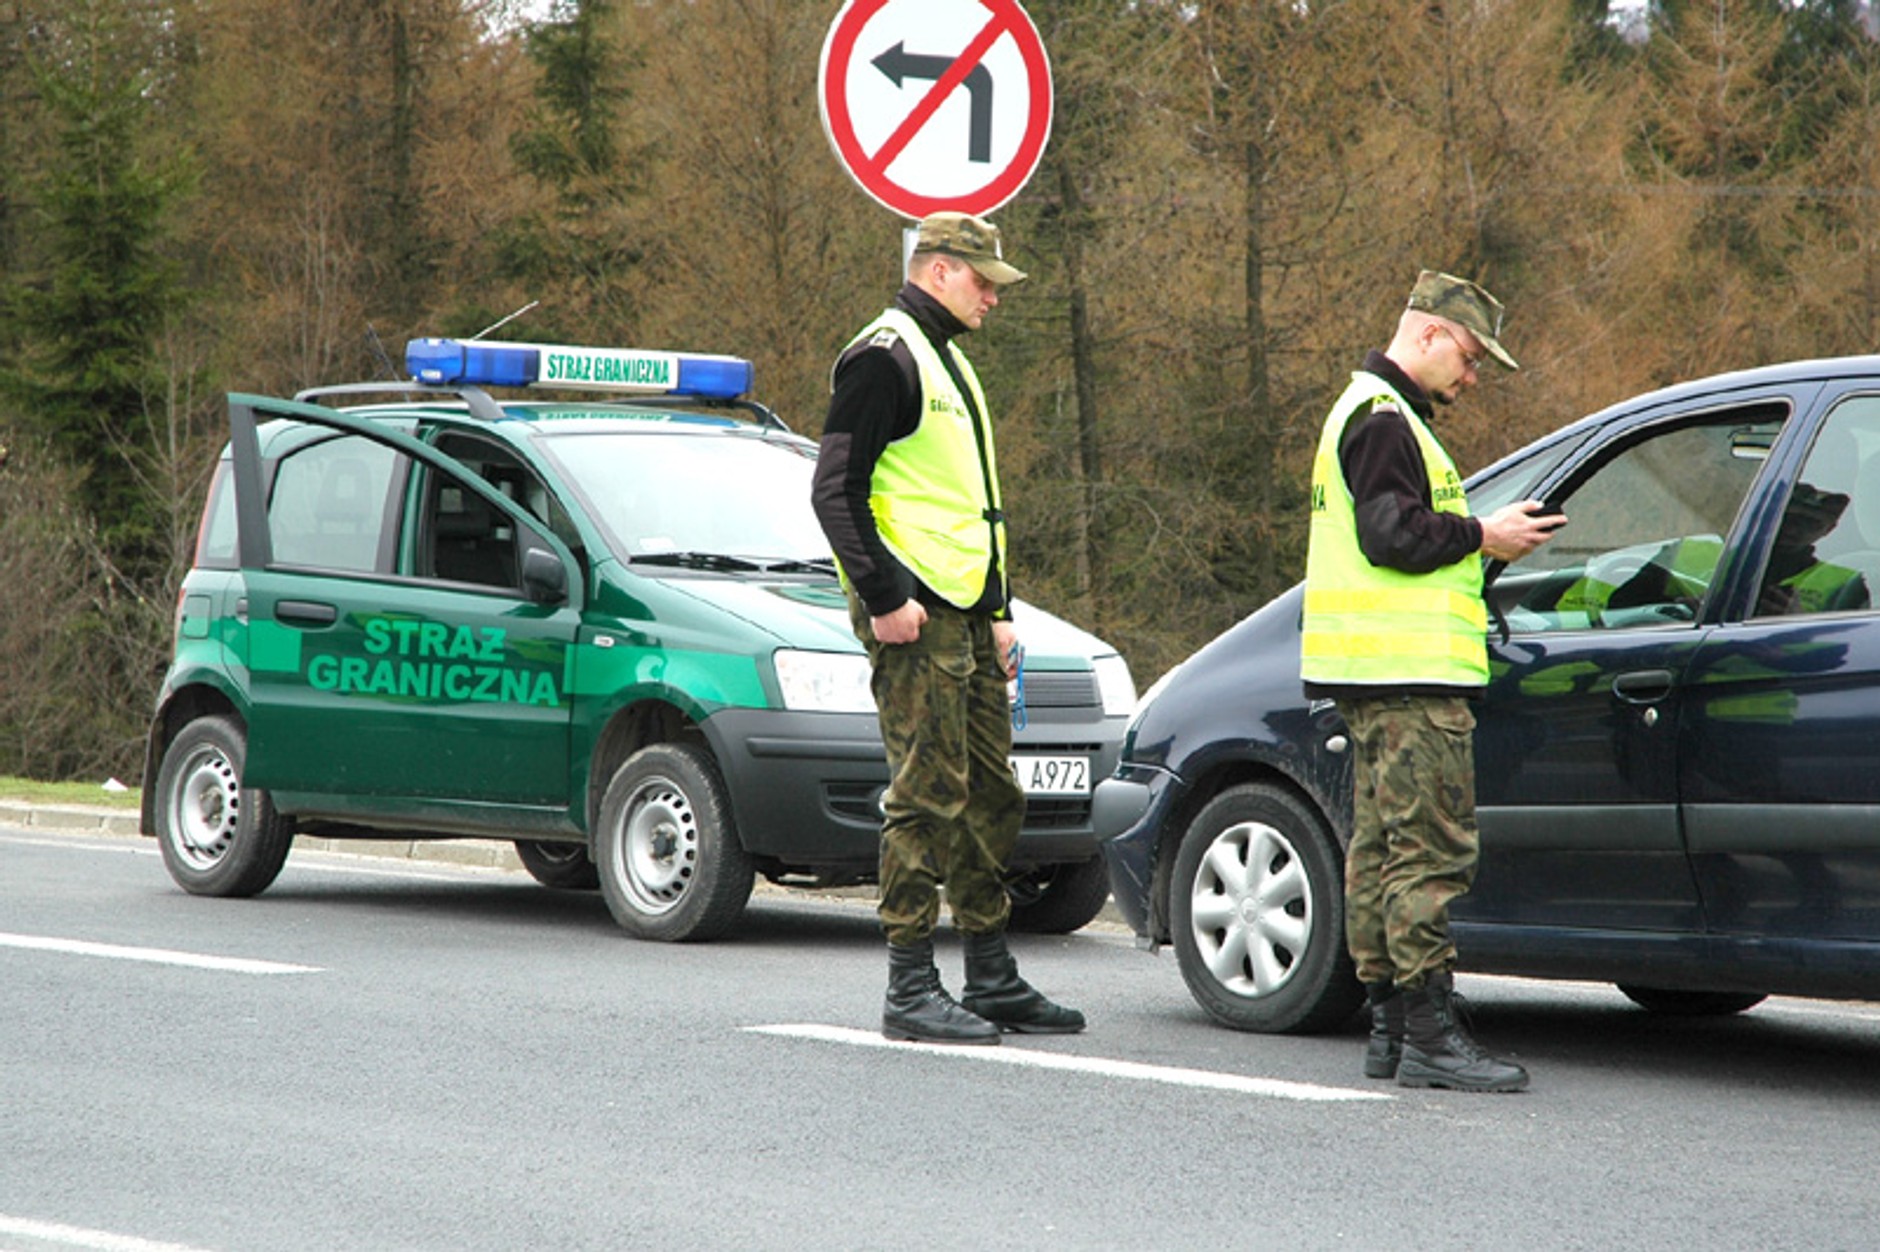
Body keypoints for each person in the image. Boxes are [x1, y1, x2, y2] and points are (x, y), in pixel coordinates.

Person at [810, 211, 1084, 1045]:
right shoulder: (885, 355)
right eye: (982, 282)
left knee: (991, 793)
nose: (993, 299)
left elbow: (975, 509)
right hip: (916, 613)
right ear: (937, 271)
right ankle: (910, 983)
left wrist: (1000, 612)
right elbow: (835, 490)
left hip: (964, 612)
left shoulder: (946, 361)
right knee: (927, 792)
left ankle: (990, 973)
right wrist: (886, 596)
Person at [1300, 270, 1562, 1092]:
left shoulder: (1371, 415)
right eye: (1473, 357)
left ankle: (1388, 1028)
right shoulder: (1386, 422)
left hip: (1372, 669)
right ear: (1433, 335)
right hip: (1409, 675)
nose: (1474, 376)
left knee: (1378, 849)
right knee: (1427, 851)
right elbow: (1392, 536)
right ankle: (1428, 1037)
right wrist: (1487, 534)